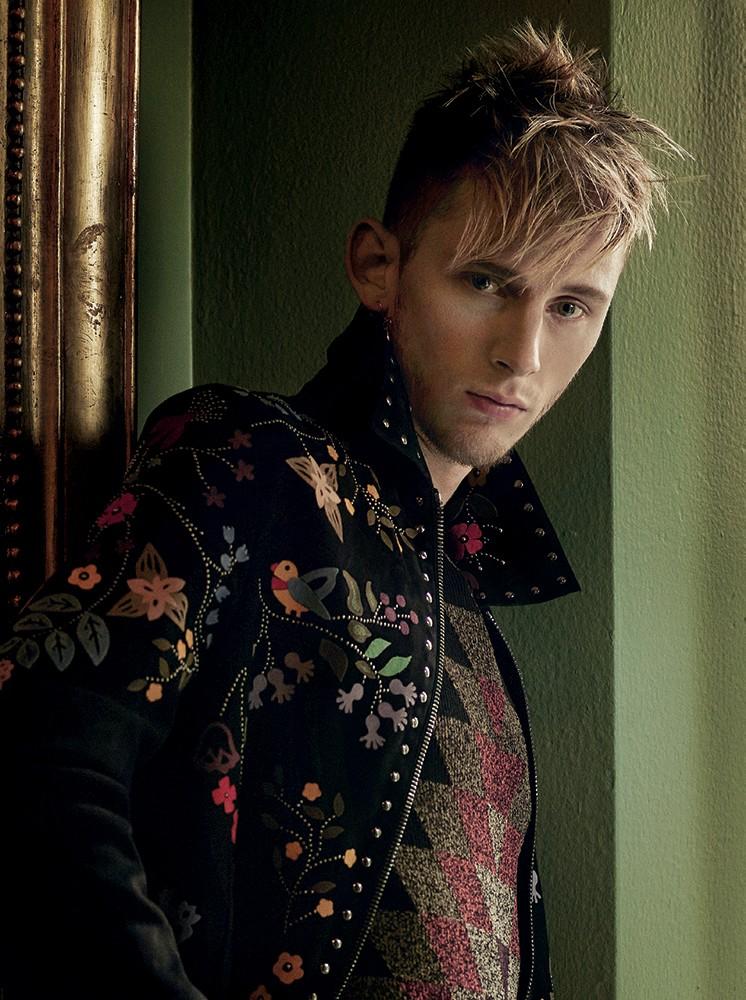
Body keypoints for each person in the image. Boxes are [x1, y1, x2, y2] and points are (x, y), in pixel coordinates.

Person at [0, 22, 682, 1000]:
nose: (524, 354)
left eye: (571, 305)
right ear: (377, 266)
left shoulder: (476, 621)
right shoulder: (249, 463)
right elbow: (40, 747)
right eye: (485, 282)